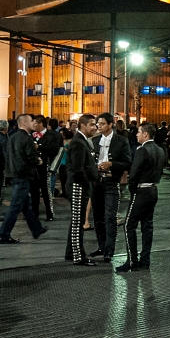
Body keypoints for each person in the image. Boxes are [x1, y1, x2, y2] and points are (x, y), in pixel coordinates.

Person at [117, 123, 166, 273]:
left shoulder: (142, 150)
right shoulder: (160, 150)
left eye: (139, 132)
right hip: (153, 189)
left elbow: (134, 172)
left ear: (145, 134)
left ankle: (132, 260)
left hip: (141, 190)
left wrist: (133, 189)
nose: (136, 135)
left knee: (129, 225)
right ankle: (145, 260)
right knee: (147, 226)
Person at [0, 114, 46, 244]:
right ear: (24, 123)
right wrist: (38, 160)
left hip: (13, 173)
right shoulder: (26, 138)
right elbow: (30, 156)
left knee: (25, 205)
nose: (33, 123)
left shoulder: (12, 137)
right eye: (31, 121)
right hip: (22, 174)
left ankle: (36, 228)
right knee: (16, 206)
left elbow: (8, 155)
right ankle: (4, 234)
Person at [91, 112, 132, 260]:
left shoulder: (121, 141)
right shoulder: (95, 140)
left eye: (102, 124)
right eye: (98, 124)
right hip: (97, 181)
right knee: (98, 216)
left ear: (110, 125)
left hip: (111, 181)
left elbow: (127, 162)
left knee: (110, 216)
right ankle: (101, 246)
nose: (99, 126)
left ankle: (109, 249)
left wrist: (111, 164)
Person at [65, 114, 99, 266]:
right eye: (91, 124)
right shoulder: (79, 143)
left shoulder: (81, 141)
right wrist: (86, 182)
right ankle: (79, 256)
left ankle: (71, 252)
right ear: (82, 126)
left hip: (78, 185)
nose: (94, 128)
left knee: (77, 220)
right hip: (77, 186)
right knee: (78, 221)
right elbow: (78, 169)